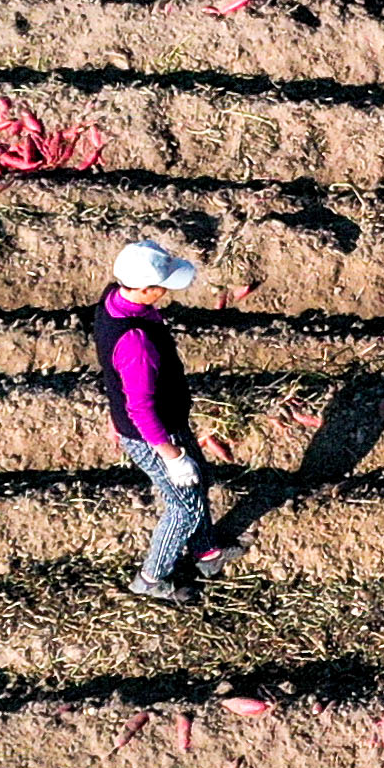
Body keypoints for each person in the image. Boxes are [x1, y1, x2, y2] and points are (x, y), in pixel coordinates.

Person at [97, 235, 216, 606]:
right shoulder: (135, 342)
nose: (167, 293)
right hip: (153, 433)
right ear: (145, 290)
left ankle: (206, 553)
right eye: (162, 288)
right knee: (183, 505)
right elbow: (141, 409)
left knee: (199, 482)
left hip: (165, 422)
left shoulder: (114, 300)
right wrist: (171, 455)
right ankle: (151, 577)